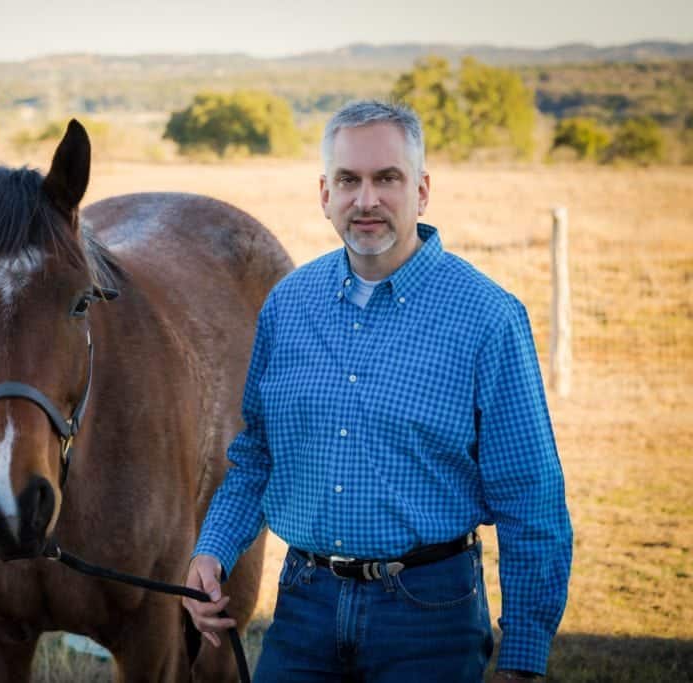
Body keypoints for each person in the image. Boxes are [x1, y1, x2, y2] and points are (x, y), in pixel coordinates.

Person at [183, 99, 572, 682]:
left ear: (421, 190)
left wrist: (523, 652)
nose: (366, 199)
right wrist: (211, 550)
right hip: (305, 606)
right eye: (349, 180)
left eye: (386, 178)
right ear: (325, 194)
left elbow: (530, 498)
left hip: (430, 615)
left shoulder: (487, 318)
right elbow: (256, 457)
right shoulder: (288, 306)